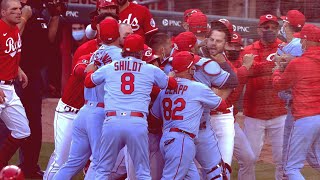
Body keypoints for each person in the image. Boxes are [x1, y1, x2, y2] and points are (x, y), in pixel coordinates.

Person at [84, 34, 177, 179]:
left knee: (102, 170)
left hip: (112, 122)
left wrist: (90, 69)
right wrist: (169, 76)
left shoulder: (111, 67)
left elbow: (88, 82)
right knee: (142, 172)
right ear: (140, 52)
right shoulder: (149, 69)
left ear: (123, 50)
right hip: (136, 123)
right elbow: (171, 85)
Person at [52, 18, 123, 180]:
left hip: (84, 113)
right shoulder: (120, 57)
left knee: (73, 163)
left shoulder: (95, 53)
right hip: (99, 114)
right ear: (117, 33)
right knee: (100, 162)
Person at [151, 51, 228, 179]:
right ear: (189, 69)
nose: (194, 68)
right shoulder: (198, 88)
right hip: (181, 141)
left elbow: (154, 118)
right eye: (193, 66)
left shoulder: (164, 89)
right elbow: (222, 106)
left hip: (167, 139)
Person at [16, 0, 60, 178]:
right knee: (10, 125)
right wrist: (24, 18)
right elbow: (10, 39)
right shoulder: (12, 10)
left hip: (33, 75)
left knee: (34, 123)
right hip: (13, 73)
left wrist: (56, 16)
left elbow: (49, 39)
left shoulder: (39, 11)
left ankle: (30, 165)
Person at [240, 14, 286, 180]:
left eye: (274, 27)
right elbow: (246, 72)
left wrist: (257, 66)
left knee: (283, 160)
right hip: (254, 113)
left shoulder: (284, 47)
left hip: (280, 111)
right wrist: (273, 65)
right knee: (248, 159)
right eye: (266, 27)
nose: (270, 31)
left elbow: (288, 71)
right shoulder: (248, 50)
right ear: (259, 29)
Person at [272, 23, 320, 179]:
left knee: (291, 168)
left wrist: (277, 71)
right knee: (316, 158)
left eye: (302, 40)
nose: (300, 43)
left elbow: (280, 85)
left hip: (304, 117)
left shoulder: (298, 63)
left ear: (305, 41)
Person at [0, 0, 30, 170]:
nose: (19, 12)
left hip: (9, 88)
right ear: (3, 13)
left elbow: (5, 54)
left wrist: (17, 68)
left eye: (19, 8)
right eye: (13, 9)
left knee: (22, 131)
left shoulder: (14, 30)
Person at [225, 32, 256, 180]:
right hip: (216, 121)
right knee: (220, 164)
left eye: (237, 46)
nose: (233, 49)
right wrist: (245, 68)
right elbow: (232, 82)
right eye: (231, 45)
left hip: (231, 120)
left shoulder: (240, 62)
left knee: (248, 158)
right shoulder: (220, 62)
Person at [86, 0, 158, 41]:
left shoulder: (141, 10)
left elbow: (153, 37)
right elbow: (90, 34)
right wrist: (93, 27)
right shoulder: (105, 8)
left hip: (136, 53)